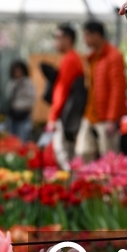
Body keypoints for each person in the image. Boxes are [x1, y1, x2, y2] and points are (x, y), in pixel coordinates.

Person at [80, 20, 126, 159]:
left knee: (109, 156)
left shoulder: (113, 56)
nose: (84, 39)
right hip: (90, 114)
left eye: (87, 35)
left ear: (97, 35)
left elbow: (118, 89)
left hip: (106, 117)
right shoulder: (93, 57)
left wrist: (112, 119)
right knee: (83, 151)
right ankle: (87, 181)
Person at [45, 24, 85, 170]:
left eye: (58, 37)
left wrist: (52, 117)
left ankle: (71, 186)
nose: (55, 41)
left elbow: (61, 91)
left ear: (68, 39)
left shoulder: (70, 59)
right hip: (69, 115)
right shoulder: (71, 58)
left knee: (63, 153)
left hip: (66, 116)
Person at [5, 59, 35, 141]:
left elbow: (30, 100)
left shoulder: (28, 84)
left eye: (19, 71)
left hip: (23, 116)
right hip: (12, 116)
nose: (17, 73)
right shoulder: (11, 83)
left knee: (23, 140)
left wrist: (17, 105)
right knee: (11, 139)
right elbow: (8, 97)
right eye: (15, 71)